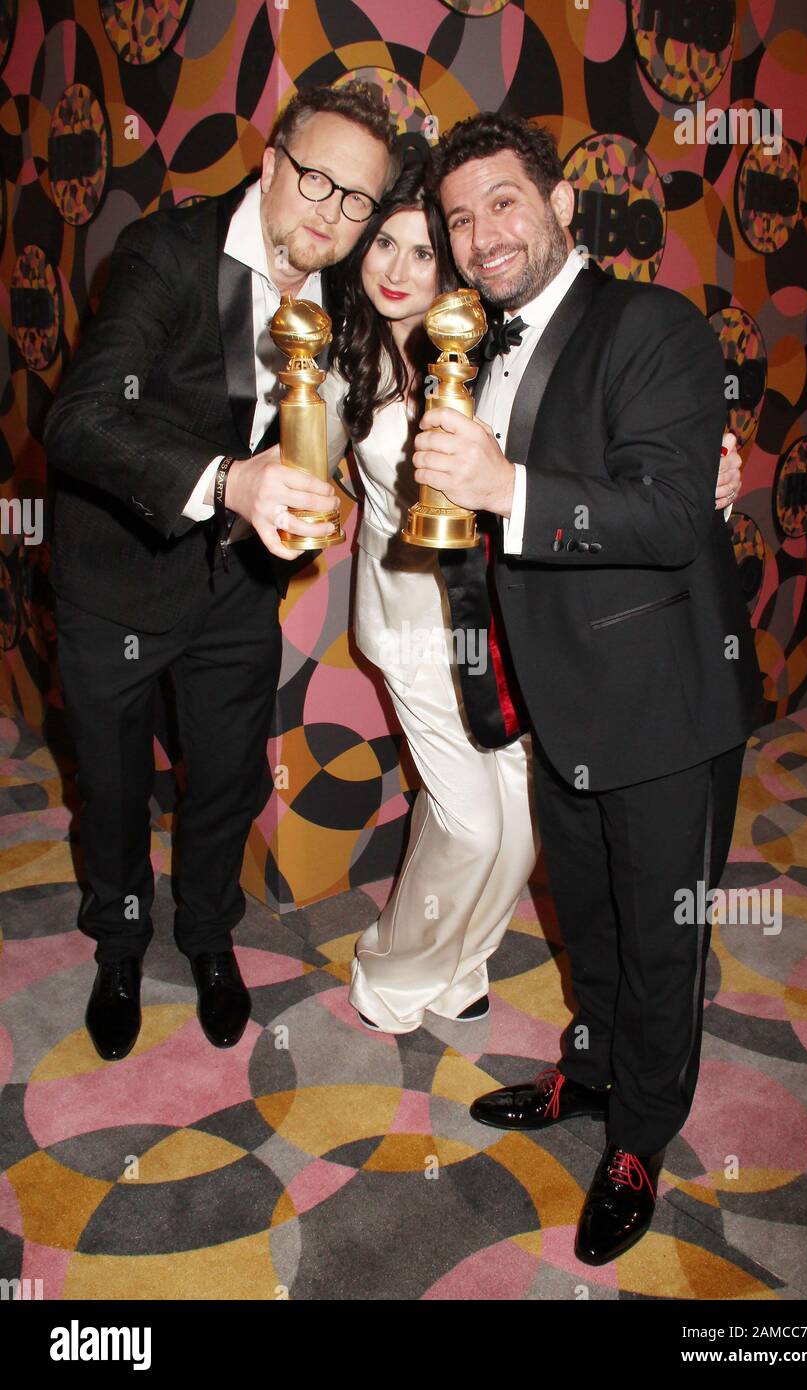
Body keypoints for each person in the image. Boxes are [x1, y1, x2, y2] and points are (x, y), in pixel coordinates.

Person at [411, 112, 762, 1265]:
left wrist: (503, 482)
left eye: (502, 201)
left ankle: (641, 1138)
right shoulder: (475, 343)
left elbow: (668, 515)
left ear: (563, 206)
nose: (480, 234)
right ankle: (592, 1068)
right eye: (459, 216)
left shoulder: (649, 322)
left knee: (664, 936)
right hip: (558, 695)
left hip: (663, 700)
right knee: (591, 917)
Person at [319, 158, 744, 1034]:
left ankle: (463, 959)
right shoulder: (341, 367)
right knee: (471, 820)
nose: (398, 270)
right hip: (409, 623)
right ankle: (392, 973)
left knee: (520, 809)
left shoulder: (482, 346)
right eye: (382, 246)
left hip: (509, 614)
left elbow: (591, 446)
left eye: (424, 251)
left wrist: (710, 468)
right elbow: (292, 465)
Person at [43, 82, 398, 1062]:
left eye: (356, 199)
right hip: (115, 574)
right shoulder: (166, 254)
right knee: (111, 791)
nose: (331, 212)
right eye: (317, 180)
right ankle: (119, 939)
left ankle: (205, 934)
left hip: (236, 587)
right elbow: (76, 421)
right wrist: (226, 480)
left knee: (227, 783)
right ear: (273, 162)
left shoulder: (345, 290)